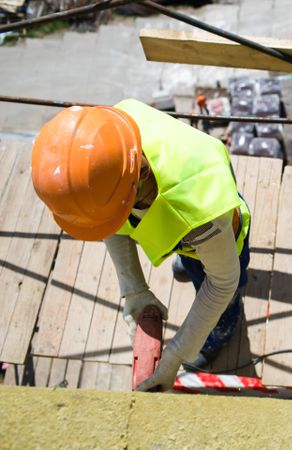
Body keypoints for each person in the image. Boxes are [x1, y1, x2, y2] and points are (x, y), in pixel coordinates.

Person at [31, 99, 250, 391]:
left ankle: (221, 332)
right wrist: (134, 289)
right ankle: (188, 259)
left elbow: (222, 282)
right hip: (185, 230)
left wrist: (176, 354)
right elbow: (109, 220)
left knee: (220, 293)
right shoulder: (111, 138)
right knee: (191, 258)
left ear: (142, 173)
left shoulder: (200, 205)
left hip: (218, 230)